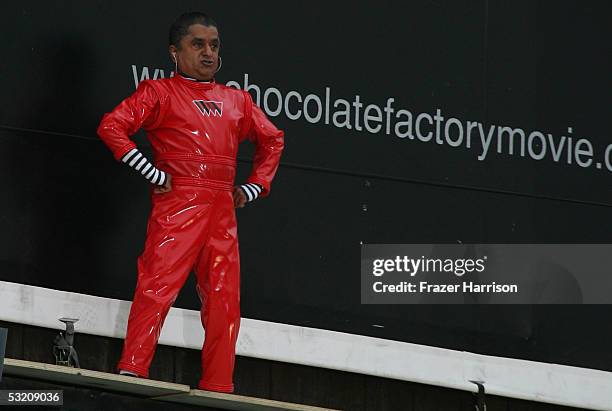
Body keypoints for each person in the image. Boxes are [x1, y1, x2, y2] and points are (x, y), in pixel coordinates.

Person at [96, 11, 284, 393]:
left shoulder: (237, 101)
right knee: (156, 286)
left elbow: (273, 139)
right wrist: (151, 171)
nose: (208, 53)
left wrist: (253, 187)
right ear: (174, 51)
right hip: (178, 203)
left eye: (214, 45)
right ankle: (133, 369)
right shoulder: (159, 92)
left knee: (224, 303)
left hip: (221, 211)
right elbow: (112, 126)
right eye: (197, 44)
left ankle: (219, 385)